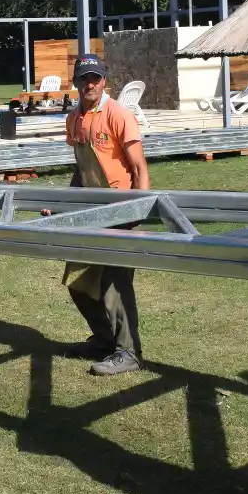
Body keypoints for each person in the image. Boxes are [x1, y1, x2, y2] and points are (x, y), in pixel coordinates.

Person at [61, 52, 150, 377]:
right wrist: (64, 204)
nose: (90, 84)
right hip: (89, 211)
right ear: (76, 82)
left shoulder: (118, 115)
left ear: (104, 81)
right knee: (79, 282)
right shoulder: (74, 119)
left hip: (120, 209)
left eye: (95, 78)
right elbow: (81, 170)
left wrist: (136, 212)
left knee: (115, 284)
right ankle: (104, 340)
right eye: (84, 78)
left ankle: (129, 352)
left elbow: (139, 168)